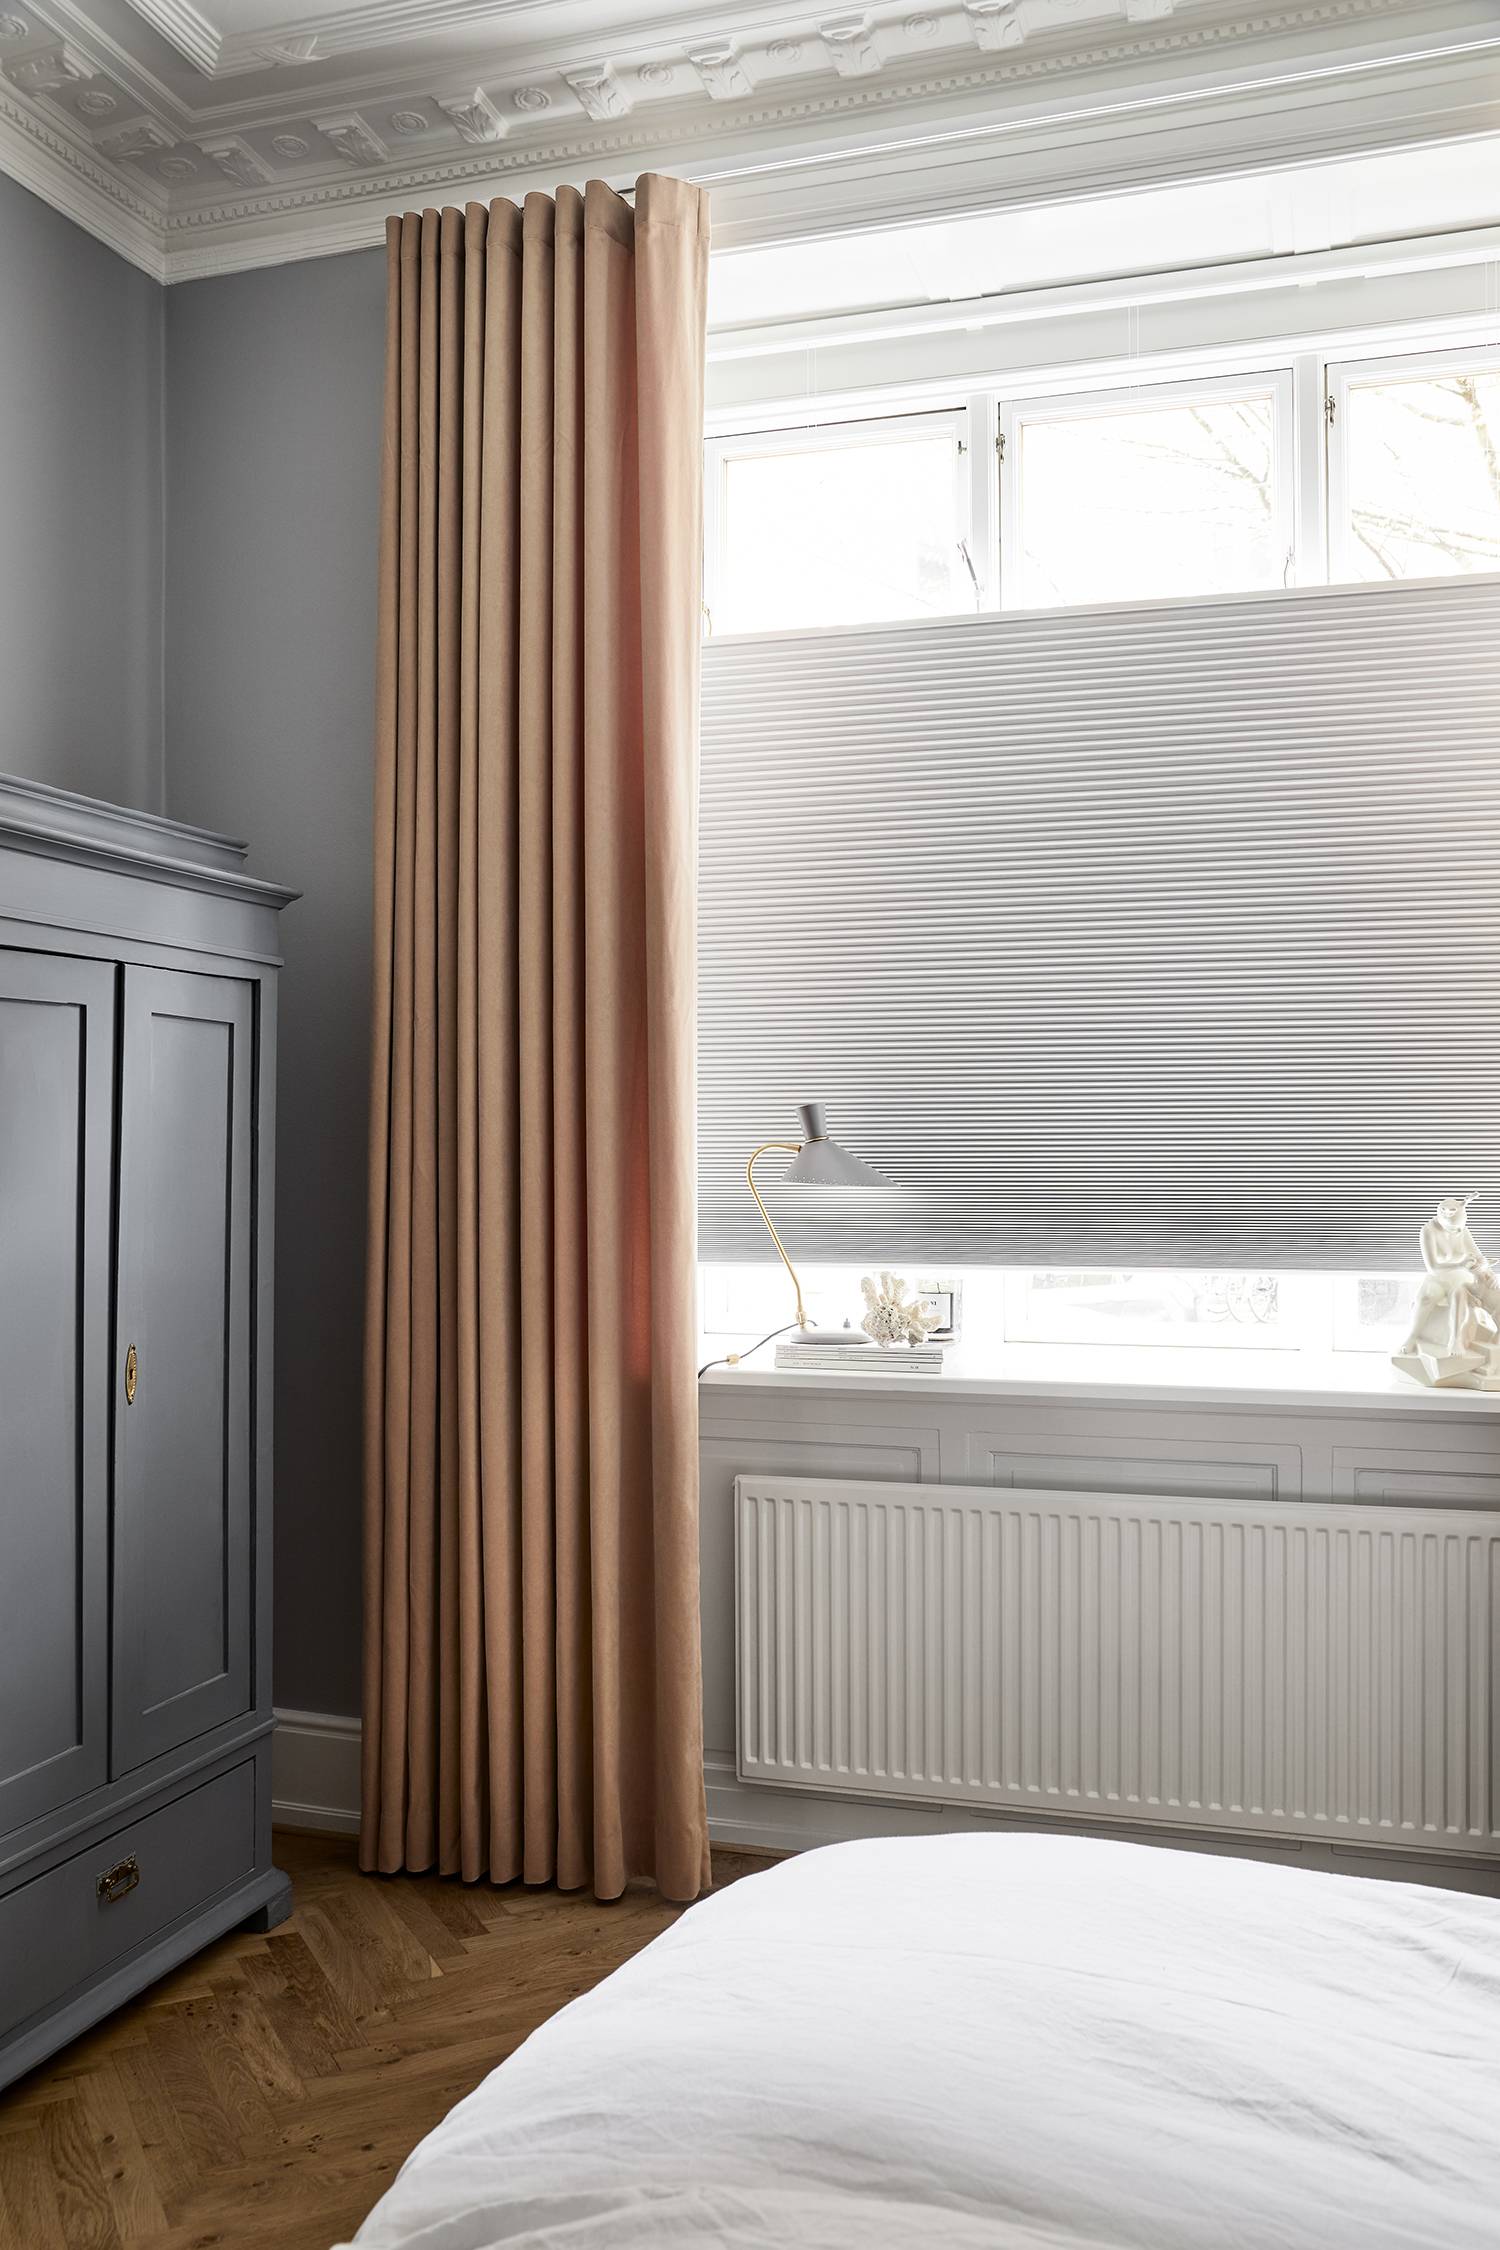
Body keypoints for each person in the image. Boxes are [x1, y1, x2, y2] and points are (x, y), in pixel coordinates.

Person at [1401, 1197, 1500, 1362]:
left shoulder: (1463, 1231)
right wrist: (1460, 1263)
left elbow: (1479, 1256)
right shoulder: (1428, 1230)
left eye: (1460, 1228)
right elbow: (1432, 1267)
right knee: (1426, 1298)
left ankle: (1456, 1340)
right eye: (1455, 1229)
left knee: (1459, 1295)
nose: (1458, 1231)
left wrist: (1491, 1274)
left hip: (1460, 1277)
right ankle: (1412, 1336)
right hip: (1438, 1276)